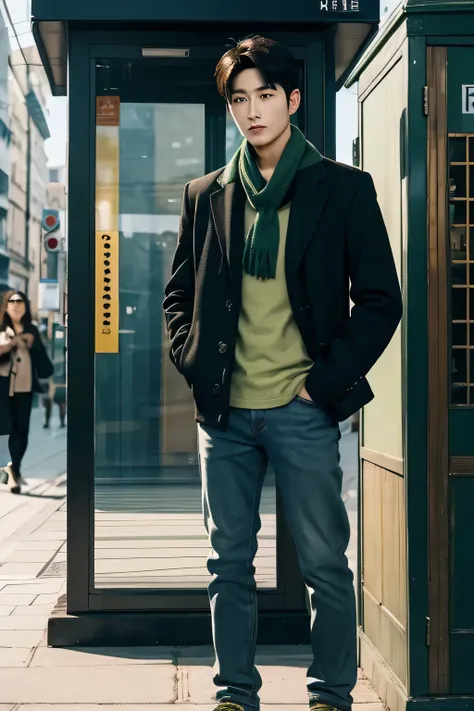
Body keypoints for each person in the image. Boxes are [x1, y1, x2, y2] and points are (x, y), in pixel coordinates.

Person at [163, 36, 403, 711]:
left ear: (293, 100)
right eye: (239, 99)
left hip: (303, 407)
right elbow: (177, 295)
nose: (252, 111)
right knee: (227, 565)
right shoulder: (206, 194)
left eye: (265, 95)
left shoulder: (343, 190)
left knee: (326, 564)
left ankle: (330, 694)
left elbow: (383, 300)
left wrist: (321, 382)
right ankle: (234, 693)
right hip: (226, 415)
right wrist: (192, 357)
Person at [0, 290, 53, 494]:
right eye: (12, 301)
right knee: (7, 429)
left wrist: (34, 345)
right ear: (6, 306)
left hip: (24, 387)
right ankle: (12, 472)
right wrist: (11, 344)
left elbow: (44, 366)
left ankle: (15, 470)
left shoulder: (32, 329)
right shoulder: (1, 328)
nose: (16, 305)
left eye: (20, 301)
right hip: (3, 386)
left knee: (22, 431)